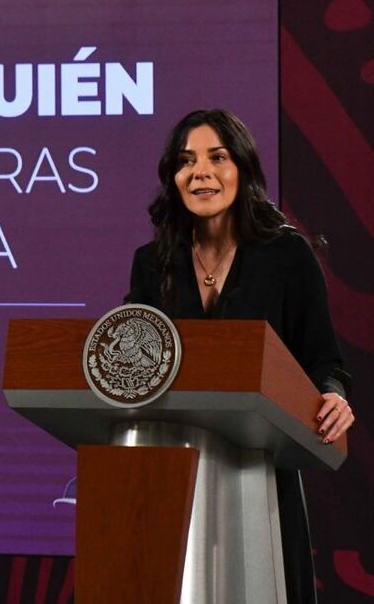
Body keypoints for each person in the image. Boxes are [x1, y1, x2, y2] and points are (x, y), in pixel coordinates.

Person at [124, 109, 355, 603]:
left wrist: (332, 395)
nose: (200, 172)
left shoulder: (287, 256)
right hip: (171, 470)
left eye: (217, 157)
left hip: (261, 467)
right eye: (186, 161)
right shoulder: (153, 263)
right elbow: (132, 360)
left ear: (242, 169)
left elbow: (323, 360)